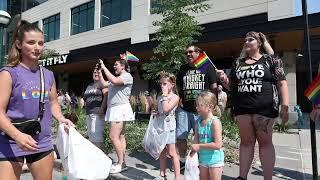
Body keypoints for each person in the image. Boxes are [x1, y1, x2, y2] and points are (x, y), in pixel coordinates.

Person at [0, 20, 74, 180]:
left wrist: (61, 119)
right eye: (31, 42)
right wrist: (17, 136)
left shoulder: (48, 74)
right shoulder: (9, 73)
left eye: (40, 43)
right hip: (11, 141)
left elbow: (53, 103)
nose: (37, 47)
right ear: (19, 44)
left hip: (41, 141)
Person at [217, 31, 289, 180]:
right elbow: (232, 87)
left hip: (265, 109)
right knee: (246, 143)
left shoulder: (271, 60)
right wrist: (224, 80)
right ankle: (242, 177)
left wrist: (285, 106)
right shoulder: (238, 62)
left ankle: (267, 178)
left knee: (265, 143)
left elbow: (282, 83)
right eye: (245, 40)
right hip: (242, 109)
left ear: (260, 43)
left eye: (251, 39)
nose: (247, 42)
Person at [176, 45, 217, 166]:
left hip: (202, 110)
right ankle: (182, 161)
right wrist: (179, 99)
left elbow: (213, 87)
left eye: (190, 52)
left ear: (198, 53)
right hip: (185, 109)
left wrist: (213, 106)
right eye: (186, 53)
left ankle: (200, 162)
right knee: (181, 136)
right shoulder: (183, 68)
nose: (188, 54)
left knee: (201, 138)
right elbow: (179, 86)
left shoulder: (207, 67)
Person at [100, 58, 135, 174]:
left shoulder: (127, 76)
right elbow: (105, 84)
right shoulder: (117, 77)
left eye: (116, 65)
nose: (114, 67)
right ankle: (122, 161)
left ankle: (121, 163)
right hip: (115, 109)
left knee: (113, 136)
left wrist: (104, 67)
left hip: (120, 108)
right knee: (120, 136)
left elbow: (114, 81)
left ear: (123, 66)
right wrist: (100, 72)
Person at [191, 91, 224, 180]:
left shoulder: (215, 122)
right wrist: (191, 155)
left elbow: (218, 145)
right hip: (202, 159)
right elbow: (195, 142)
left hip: (215, 160)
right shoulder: (198, 122)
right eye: (196, 105)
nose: (197, 107)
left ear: (209, 106)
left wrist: (199, 146)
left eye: (200, 105)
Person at [154, 71, 181, 180]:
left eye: (164, 84)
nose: (162, 86)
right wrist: (155, 113)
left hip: (169, 127)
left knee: (171, 152)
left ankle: (178, 176)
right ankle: (162, 174)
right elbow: (159, 110)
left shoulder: (175, 97)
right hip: (160, 126)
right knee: (162, 151)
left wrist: (164, 96)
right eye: (161, 84)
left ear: (172, 85)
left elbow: (166, 109)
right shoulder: (160, 97)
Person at [83, 68, 108, 150]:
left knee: (96, 135)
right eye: (94, 72)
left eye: (98, 72)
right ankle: (94, 155)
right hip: (88, 113)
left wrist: (102, 108)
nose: (96, 74)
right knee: (90, 135)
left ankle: (100, 155)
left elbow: (106, 96)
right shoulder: (89, 86)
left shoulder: (102, 84)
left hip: (97, 113)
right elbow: (85, 98)